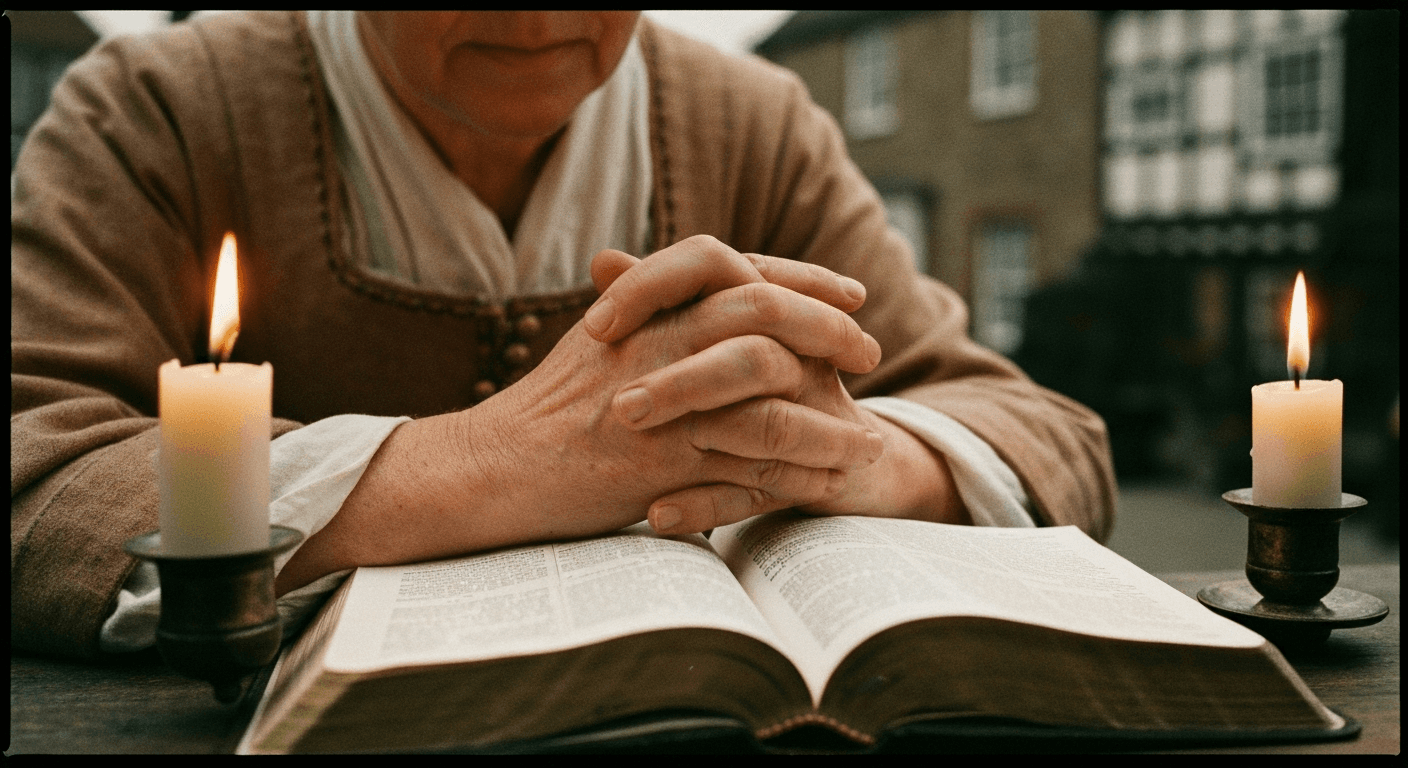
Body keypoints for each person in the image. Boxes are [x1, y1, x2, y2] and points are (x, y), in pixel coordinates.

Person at [11, 11, 1116, 660]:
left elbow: (1040, 431)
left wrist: (841, 453)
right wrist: (501, 463)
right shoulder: (161, 107)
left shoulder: (754, 122)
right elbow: (34, 462)